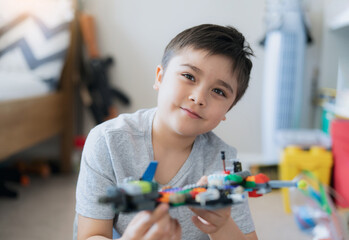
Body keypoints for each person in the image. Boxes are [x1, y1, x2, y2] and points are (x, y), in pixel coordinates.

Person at [74, 23, 258, 240]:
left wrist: (222, 225)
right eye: (189, 76)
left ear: (228, 109)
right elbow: (90, 235)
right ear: (160, 77)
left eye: (218, 91)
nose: (198, 98)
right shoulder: (107, 141)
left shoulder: (223, 163)